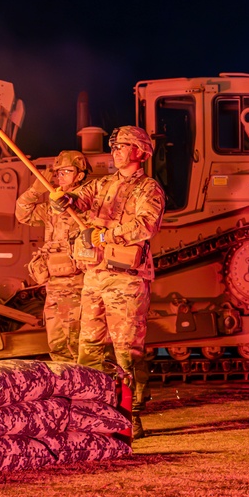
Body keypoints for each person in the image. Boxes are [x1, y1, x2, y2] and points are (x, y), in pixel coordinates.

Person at [62, 126, 165, 440]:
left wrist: (107, 235)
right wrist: (63, 199)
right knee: (88, 350)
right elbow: (78, 200)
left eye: (122, 146)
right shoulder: (103, 184)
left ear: (138, 151)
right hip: (95, 276)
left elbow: (146, 224)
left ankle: (128, 416)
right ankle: (87, 415)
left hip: (126, 281)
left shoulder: (149, 189)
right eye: (114, 146)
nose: (115, 151)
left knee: (126, 354)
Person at [15, 150, 89, 363]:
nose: (60, 176)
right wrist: (35, 190)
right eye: (58, 172)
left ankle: (84, 390)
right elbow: (23, 213)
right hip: (54, 286)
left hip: (78, 286)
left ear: (80, 175)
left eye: (66, 171)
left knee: (78, 345)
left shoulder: (85, 204)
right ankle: (67, 388)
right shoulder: (50, 210)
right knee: (57, 345)